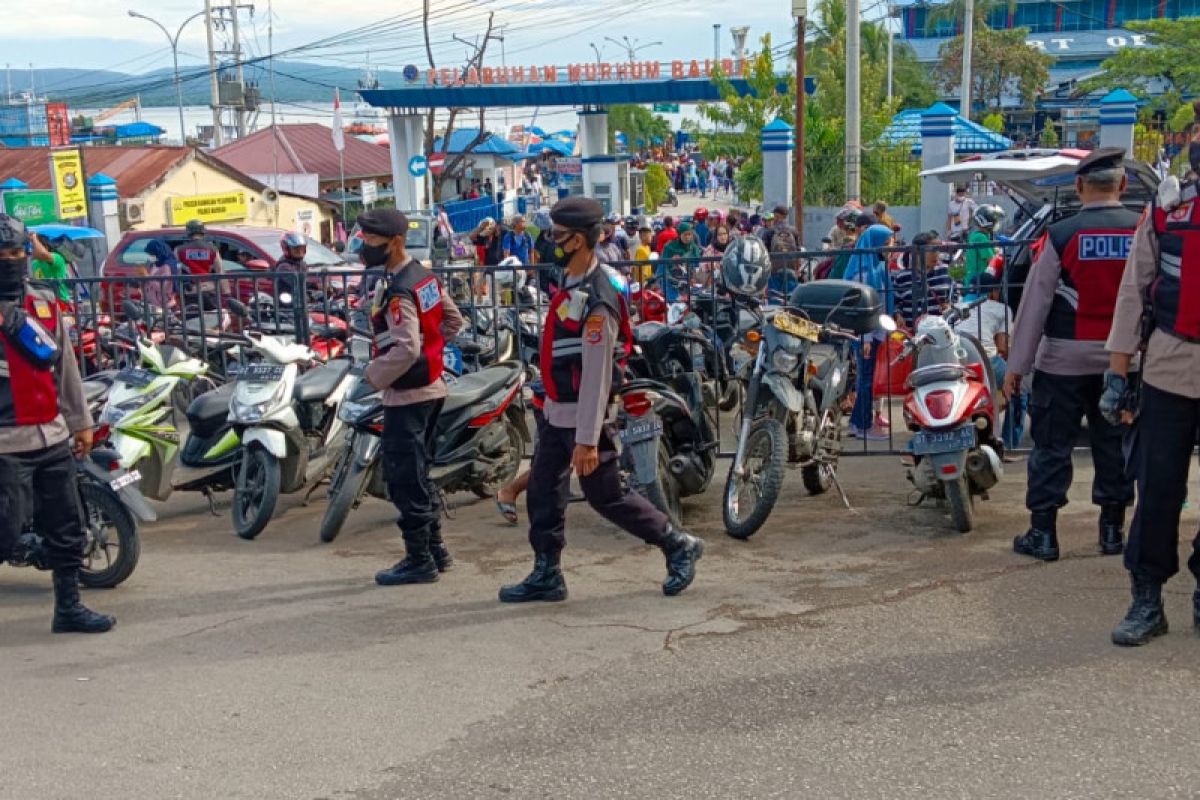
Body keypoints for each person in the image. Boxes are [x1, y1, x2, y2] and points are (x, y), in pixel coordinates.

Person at [498, 196, 704, 603]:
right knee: (542, 490)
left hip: (582, 416)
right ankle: (547, 573)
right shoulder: (572, 284)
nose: (548, 242)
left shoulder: (598, 298)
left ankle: (677, 544)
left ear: (578, 240)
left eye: (556, 236)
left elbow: (596, 374)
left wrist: (588, 439)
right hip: (557, 412)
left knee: (605, 495)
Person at [1002, 147, 1139, 563]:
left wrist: (1016, 367)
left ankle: (1044, 537)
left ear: (1079, 187)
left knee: (1052, 447)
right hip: (1125, 363)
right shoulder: (1142, 231)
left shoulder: (1061, 236)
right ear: (1124, 185)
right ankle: (1112, 533)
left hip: (1062, 362)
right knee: (1114, 445)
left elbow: (1035, 305)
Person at [1101, 137, 1200, 646]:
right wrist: (1117, 373)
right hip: (1170, 366)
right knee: (1159, 488)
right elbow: (1134, 290)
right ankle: (1147, 600)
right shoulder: (1168, 213)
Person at [0, 214, 114, 634]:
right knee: (6, 535)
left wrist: (79, 420)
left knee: (68, 529)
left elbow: (65, 365)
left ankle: (68, 608)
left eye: (15, 252)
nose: (10, 260)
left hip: (50, 436)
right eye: (1, 255)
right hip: (4, 443)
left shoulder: (42, 304)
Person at [360, 209, 464, 586]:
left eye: (370, 241)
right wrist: (432, 353)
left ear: (395, 242)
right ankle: (436, 550)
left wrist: (372, 378)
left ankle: (419, 559)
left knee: (405, 478)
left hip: (407, 396)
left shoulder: (399, 289)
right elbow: (452, 321)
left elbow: (405, 349)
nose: (363, 246)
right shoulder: (422, 277)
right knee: (420, 472)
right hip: (432, 389)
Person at [844, 223, 896, 441]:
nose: (890, 248)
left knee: (866, 378)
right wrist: (865, 336)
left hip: (873, 330)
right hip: (865, 333)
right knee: (865, 379)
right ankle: (863, 426)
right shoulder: (863, 271)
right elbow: (860, 308)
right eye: (887, 243)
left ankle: (857, 423)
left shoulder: (876, 265)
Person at [892, 230, 954, 328]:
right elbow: (896, 302)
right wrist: (898, 315)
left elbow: (954, 295)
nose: (936, 254)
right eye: (932, 250)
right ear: (916, 252)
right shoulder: (902, 277)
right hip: (912, 334)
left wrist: (950, 306)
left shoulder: (945, 272)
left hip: (940, 332)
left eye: (938, 249)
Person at [174, 219, 223, 307]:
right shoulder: (212, 249)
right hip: (208, 290)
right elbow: (220, 271)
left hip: (190, 291)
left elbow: (176, 271)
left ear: (188, 232)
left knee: (191, 318)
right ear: (203, 232)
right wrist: (226, 292)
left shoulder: (179, 250)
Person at [963, 205, 1004, 299]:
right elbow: (991, 260)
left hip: (973, 281)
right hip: (980, 284)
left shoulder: (975, 235)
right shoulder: (981, 238)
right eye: (995, 220)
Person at [660, 221, 702, 300]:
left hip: (690, 283)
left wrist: (694, 277)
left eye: (689, 234)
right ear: (679, 235)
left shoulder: (694, 248)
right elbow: (663, 266)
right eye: (685, 234)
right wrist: (672, 261)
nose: (687, 237)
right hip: (672, 283)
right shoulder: (670, 247)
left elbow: (697, 265)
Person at [29, 234, 71, 305]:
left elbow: (42, 253)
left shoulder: (57, 258)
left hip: (60, 301)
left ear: (45, 247)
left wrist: (34, 237)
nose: (31, 250)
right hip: (43, 301)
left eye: (34, 247)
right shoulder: (35, 263)